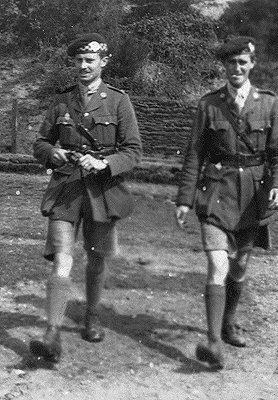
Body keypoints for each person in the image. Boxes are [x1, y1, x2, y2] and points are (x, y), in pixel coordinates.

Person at [175, 36, 278, 369]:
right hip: (216, 194)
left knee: (239, 267)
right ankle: (213, 343)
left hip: (253, 198)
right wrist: (185, 198)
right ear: (224, 67)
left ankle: (227, 321)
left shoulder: (269, 104)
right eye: (231, 63)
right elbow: (194, 155)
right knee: (217, 265)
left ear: (252, 64)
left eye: (242, 62)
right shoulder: (209, 104)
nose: (236, 68)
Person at [30, 33, 142, 362]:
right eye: (78, 60)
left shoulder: (119, 101)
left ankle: (92, 315)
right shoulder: (62, 101)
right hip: (65, 190)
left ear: (103, 62)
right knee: (63, 257)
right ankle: (51, 333)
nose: (83, 66)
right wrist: (54, 153)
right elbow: (40, 143)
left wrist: (105, 162)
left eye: (89, 60)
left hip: (102, 192)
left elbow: (133, 151)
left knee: (96, 259)